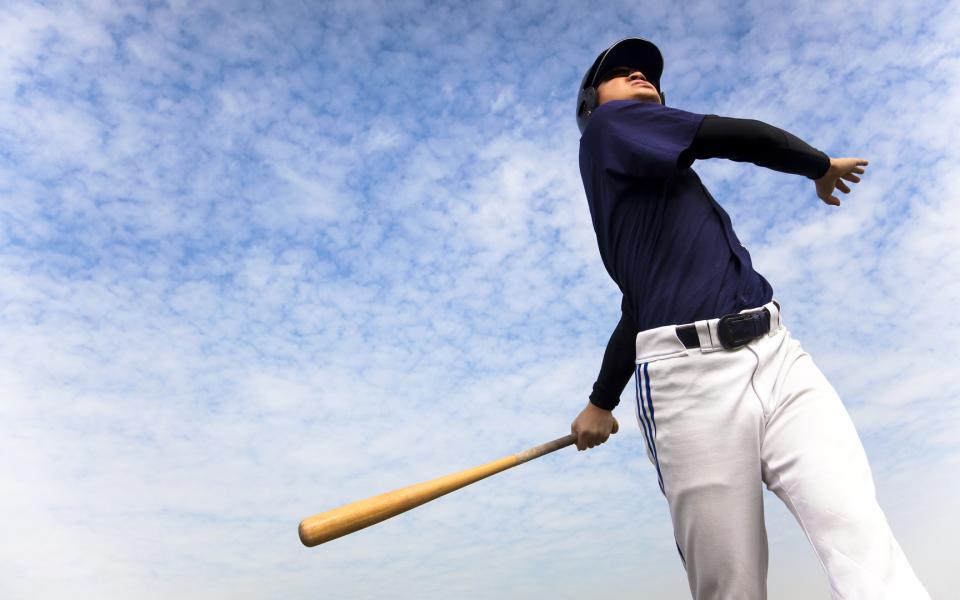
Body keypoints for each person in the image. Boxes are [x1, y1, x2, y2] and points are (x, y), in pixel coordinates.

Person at [569, 37, 931, 600]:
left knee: (861, 537)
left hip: (779, 355)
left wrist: (600, 402)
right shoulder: (607, 130)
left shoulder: (653, 187)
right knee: (731, 587)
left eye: (648, 74)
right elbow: (738, 136)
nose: (641, 74)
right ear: (593, 103)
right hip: (689, 383)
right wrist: (818, 165)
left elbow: (635, 306)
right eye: (620, 73)